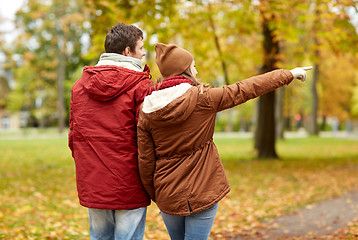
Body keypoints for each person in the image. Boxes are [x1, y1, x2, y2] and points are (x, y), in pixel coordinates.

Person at [137, 43, 311, 240]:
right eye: (193, 66)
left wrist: (157, 194)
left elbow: (146, 161)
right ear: (185, 70)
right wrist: (289, 74)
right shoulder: (204, 99)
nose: (196, 70)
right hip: (203, 190)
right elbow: (246, 88)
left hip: (168, 193)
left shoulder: (147, 110)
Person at [68, 23, 153, 240]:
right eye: (141, 47)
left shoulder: (79, 87)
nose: (144, 53)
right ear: (127, 51)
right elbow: (148, 136)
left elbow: (74, 137)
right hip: (130, 181)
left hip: (94, 179)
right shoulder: (140, 86)